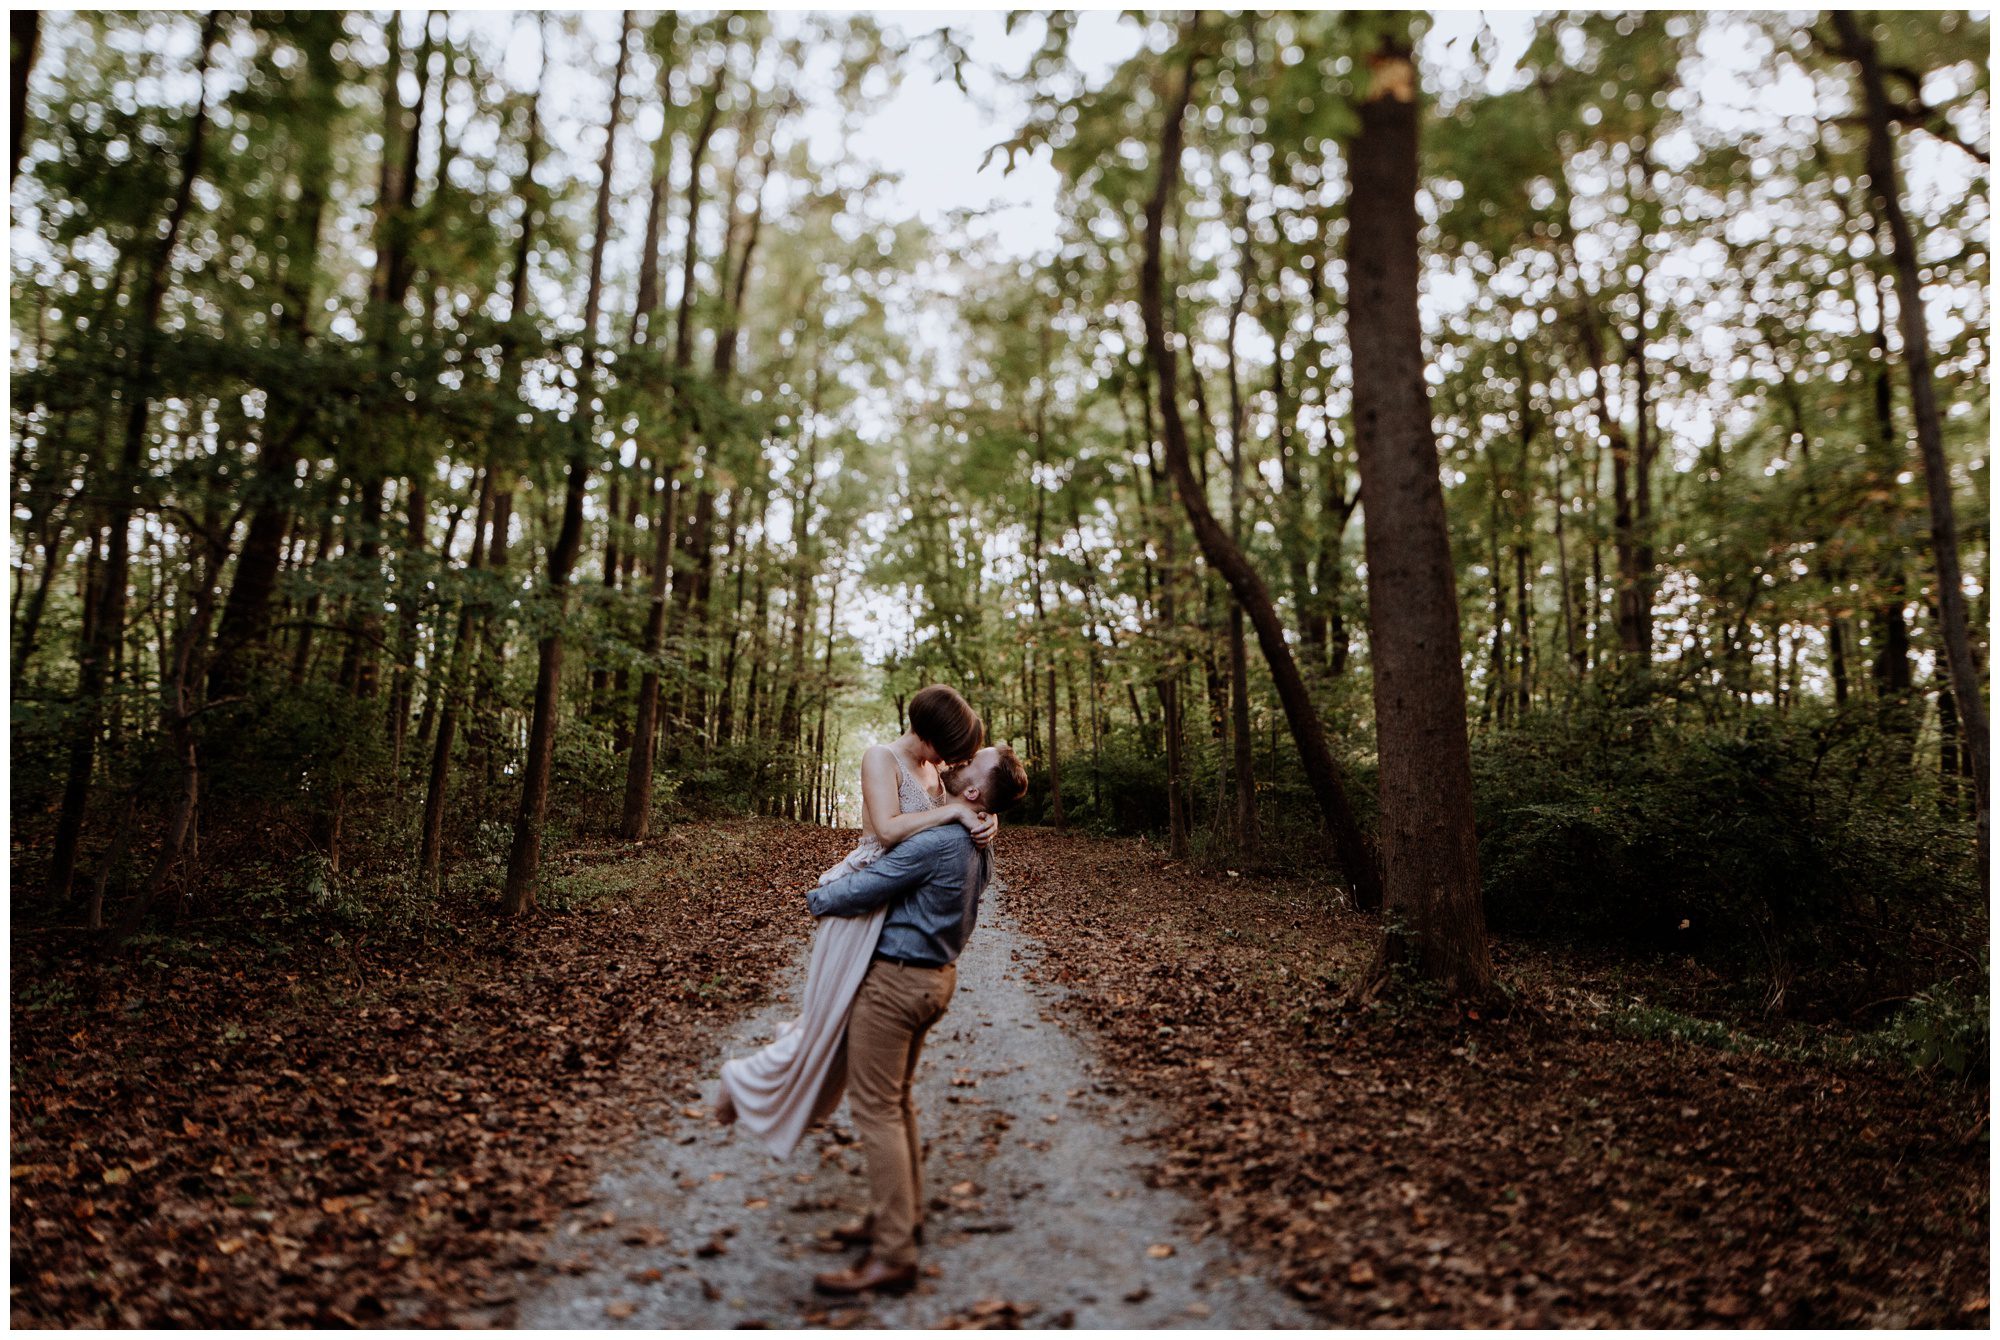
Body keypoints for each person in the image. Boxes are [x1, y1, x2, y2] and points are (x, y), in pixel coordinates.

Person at [714, 685, 993, 1157]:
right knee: (827, 1017)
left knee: (841, 1026)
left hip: (894, 903)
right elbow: (886, 829)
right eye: (954, 748)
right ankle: (741, 1083)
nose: (956, 759)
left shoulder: (934, 767)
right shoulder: (881, 758)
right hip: (865, 893)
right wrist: (956, 814)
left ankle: (769, 1091)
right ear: (930, 736)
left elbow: (974, 796)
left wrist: (983, 818)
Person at [807, 744, 1029, 1297]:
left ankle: (894, 1256)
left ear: (974, 793)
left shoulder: (936, 840)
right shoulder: (978, 836)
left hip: (896, 984)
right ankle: (898, 1218)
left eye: (970, 765)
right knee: (897, 1100)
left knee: (875, 1110)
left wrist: (816, 896)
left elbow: (862, 889)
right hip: (936, 979)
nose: (957, 763)